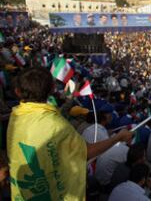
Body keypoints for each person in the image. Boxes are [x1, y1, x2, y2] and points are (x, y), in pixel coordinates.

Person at [7, 67, 133, 200]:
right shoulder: (57, 126)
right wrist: (118, 138)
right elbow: (86, 152)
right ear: (52, 89)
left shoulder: (16, 115)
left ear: (17, 91)